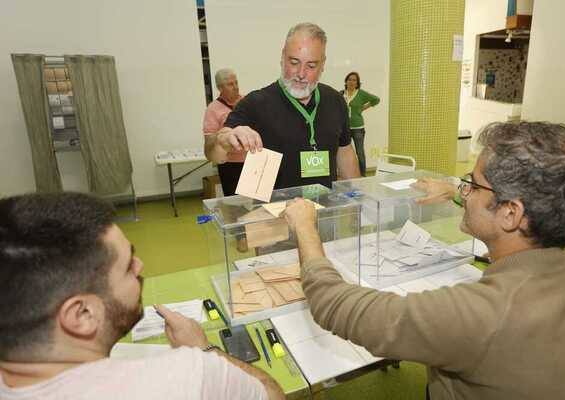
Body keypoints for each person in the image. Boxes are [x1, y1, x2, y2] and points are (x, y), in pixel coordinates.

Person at [283, 121, 565, 400]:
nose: (465, 190)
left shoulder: (481, 315)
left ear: (511, 213)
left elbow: (334, 304)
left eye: (472, 184)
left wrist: (305, 226)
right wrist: (455, 192)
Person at [0, 192, 284, 400]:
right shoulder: (190, 377)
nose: (140, 267)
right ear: (82, 315)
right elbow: (271, 395)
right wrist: (204, 349)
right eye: (127, 267)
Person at [204, 22, 360, 192]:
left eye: (311, 66)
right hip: (274, 214)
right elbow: (213, 153)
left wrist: (359, 196)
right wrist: (224, 139)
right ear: (282, 57)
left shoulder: (335, 101)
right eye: (294, 62)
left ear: (323, 65)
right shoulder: (256, 103)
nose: (301, 74)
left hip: (323, 209)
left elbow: (344, 151)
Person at [203, 68, 245, 195]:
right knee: (234, 204)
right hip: (229, 165)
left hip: (251, 161)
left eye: (236, 82)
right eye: (230, 84)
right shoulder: (212, 109)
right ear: (220, 88)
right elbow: (209, 139)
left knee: (256, 202)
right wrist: (225, 135)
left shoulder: (247, 102)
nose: (236, 87)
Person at [342, 72, 380, 176]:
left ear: (357, 82)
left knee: (360, 152)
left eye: (354, 80)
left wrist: (363, 108)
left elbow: (376, 100)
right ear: (346, 81)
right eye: (349, 79)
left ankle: (363, 174)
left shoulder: (361, 93)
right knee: (344, 153)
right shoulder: (341, 94)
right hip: (344, 128)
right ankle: (345, 173)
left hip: (358, 128)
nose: (351, 82)